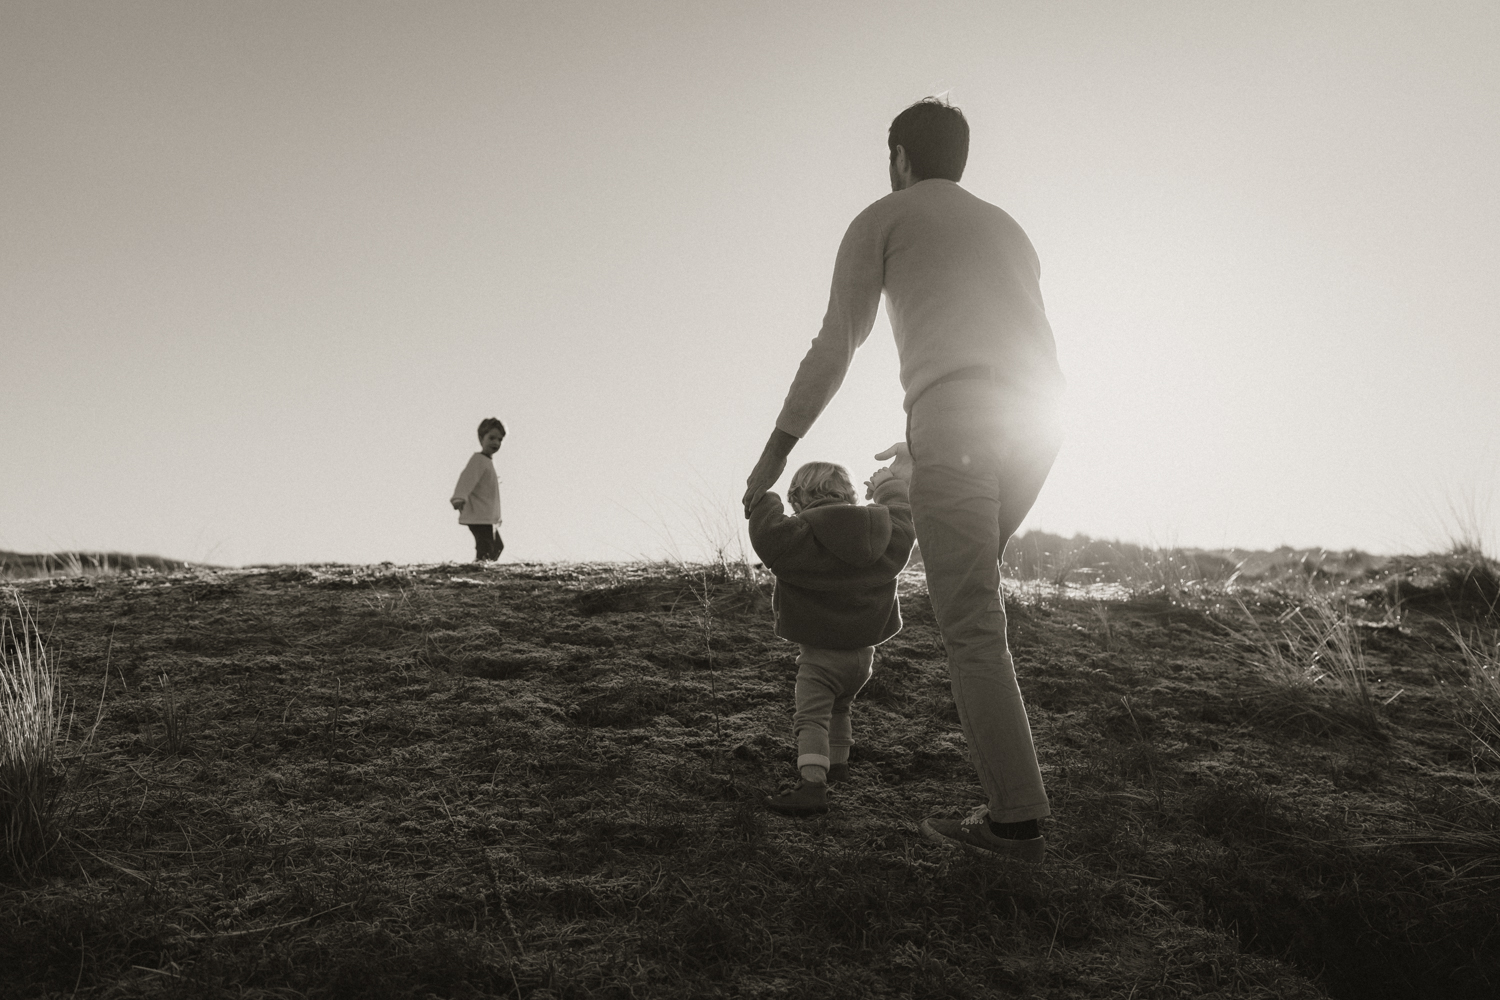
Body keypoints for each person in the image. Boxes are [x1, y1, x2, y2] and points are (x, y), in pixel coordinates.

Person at [742, 98, 1065, 863]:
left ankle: (1014, 825)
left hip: (954, 419)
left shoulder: (882, 219)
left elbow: (834, 347)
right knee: (973, 600)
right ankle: (1015, 809)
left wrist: (774, 457)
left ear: (899, 156)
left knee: (972, 625)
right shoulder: (1008, 227)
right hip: (1036, 426)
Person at [748, 460, 916, 816]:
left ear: (798, 497)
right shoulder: (881, 527)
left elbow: (766, 535)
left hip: (820, 658)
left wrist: (766, 496)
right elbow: (904, 518)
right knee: (841, 707)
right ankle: (838, 766)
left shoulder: (796, 537)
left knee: (811, 719)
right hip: (863, 658)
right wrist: (888, 485)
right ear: (849, 493)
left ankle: (812, 786)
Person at [451, 417, 505, 563]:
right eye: (491, 438)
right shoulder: (478, 460)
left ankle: (483, 569)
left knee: (497, 546)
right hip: (479, 515)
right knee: (486, 547)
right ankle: (478, 569)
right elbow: (467, 479)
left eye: (499, 439)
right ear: (481, 438)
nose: (496, 442)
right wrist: (459, 498)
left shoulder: (487, 461)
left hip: (487, 516)